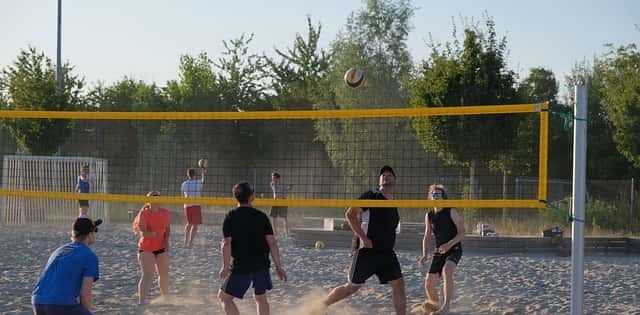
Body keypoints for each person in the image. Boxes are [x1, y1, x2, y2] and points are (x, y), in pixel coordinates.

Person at [320, 165, 406, 315]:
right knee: (351, 288)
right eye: (383, 175)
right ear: (379, 181)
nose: (386, 177)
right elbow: (350, 214)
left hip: (386, 253)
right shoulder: (372, 196)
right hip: (367, 251)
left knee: (398, 284)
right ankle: (322, 305)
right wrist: (363, 238)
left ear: (395, 180)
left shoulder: (393, 203)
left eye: (389, 175)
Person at [218, 182, 287, 315]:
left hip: (242, 265)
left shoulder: (230, 216)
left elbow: (226, 244)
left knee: (224, 298)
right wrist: (279, 267)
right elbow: (272, 242)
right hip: (261, 265)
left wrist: (225, 267)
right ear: (252, 197)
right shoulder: (262, 217)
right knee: (261, 298)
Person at [32, 217, 102, 315]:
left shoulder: (59, 250)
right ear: (89, 234)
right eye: (95, 231)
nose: (95, 234)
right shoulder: (89, 256)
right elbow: (85, 293)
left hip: (38, 301)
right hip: (61, 304)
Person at [418, 184, 465, 315]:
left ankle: (446, 307)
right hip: (439, 251)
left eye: (438, 194)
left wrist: (449, 245)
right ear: (430, 197)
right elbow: (426, 237)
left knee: (447, 270)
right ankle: (436, 305)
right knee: (428, 284)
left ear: (443, 197)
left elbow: (462, 233)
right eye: (433, 194)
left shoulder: (451, 211)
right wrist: (424, 255)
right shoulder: (429, 215)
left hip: (454, 248)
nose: (435, 197)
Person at [132, 191, 171, 305]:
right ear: (149, 201)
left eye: (158, 198)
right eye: (154, 199)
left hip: (161, 247)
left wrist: (166, 240)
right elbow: (142, 232)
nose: (156, 201)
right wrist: (153, 234)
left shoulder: (165, 213)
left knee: (163, 274)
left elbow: (168, 228)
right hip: (146, 248)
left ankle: (166, 299)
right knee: (147, 275)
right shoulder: (144, 213)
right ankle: (141, 302)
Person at [181, 167, 205, 247]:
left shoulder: (184, 184)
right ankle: (190, 242)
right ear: (195, 175)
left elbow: (182, 195)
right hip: (196, 205)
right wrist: (203, 171)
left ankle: (186, 241)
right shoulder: (198, 183)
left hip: (187, 206)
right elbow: (203, 181)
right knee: (195, 225)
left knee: (189, 224)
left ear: (188, 175)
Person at [269, 172, 291, 236]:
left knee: (284, 217)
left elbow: (286, 190)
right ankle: (274, 231)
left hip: (283, 201)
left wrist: (288, 188)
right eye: (272, 178)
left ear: (278, 178)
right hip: (275, 201)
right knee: (273, 217)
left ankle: (286, 232)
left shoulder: (283, 184)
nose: (272, 179)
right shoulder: (272, 183)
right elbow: (275, 190)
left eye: (273, 178)